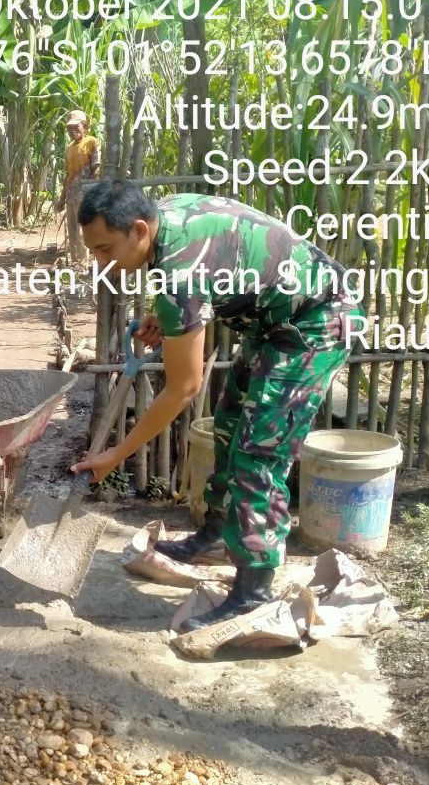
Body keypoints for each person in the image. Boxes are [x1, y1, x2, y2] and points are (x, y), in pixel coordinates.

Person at [70, 181, 362, 633]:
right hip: (273, 321)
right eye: (93, 250)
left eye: (105, 249)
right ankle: (218, 533)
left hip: (317, 321)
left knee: (259, 453)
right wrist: (169, 320)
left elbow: (183, 388)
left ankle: (253, 590)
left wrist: (116, 454)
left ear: (140, 230)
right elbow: (218, 271)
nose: (100, 262)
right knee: (230, 421)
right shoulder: (168, 219)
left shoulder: (179, 275)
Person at [54, 110, 99, 266]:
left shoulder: (92, 142)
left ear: (85, 126)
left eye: (76, 126)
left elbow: (97, 169)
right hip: (72, 195)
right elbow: (68, 175)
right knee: (72, 231)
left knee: (82, 231)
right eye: (70, 128)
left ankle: (83, 264)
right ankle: (75, 263)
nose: (73, 130)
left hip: (85, 195)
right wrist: (62, 199)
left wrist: (95, 196)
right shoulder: (69, 148)